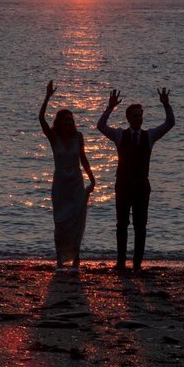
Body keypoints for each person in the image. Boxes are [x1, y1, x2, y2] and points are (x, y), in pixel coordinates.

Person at [97, 87, 175, 272]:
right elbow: (101, 126)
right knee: (122, 225)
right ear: (128, 118)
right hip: (123, 185)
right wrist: (110, 108)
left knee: (141, 226)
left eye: (140, 115)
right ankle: (121, 263)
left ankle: (137, 264)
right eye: (135, 116)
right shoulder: (119, 135)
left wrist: (166, 105)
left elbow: (170, 123)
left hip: (141, 185)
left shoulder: (150, 135)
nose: (139, 118)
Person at [38, 81, 96, 268]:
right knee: (61, 222)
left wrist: (93, 180)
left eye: (70, 120)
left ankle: (76, 257)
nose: (68, 123)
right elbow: (41, 119)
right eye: (65, 120)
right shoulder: (53, 137)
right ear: (59, 122)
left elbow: (83, 159)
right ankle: (60, 258)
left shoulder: (78, 137)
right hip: (61, 185)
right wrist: (47, 97)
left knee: (77, 221)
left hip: (76, 184)